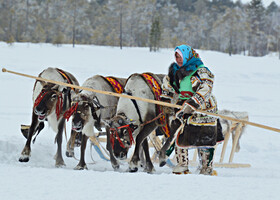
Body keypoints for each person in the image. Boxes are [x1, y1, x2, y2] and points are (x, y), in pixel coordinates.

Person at [162, 44, 222, 175]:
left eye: (180, 56)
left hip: (203, 107)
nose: (178, 59)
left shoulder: (201, 70)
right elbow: (169, 84)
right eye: (176, 56)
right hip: (183, 104)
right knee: (179, 133)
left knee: (205, 137)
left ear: (188, 56)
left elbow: (206, 87)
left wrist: (193, 103)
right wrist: (166, 99)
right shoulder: (175, 71)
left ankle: (206, 166)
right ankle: (182, 165)